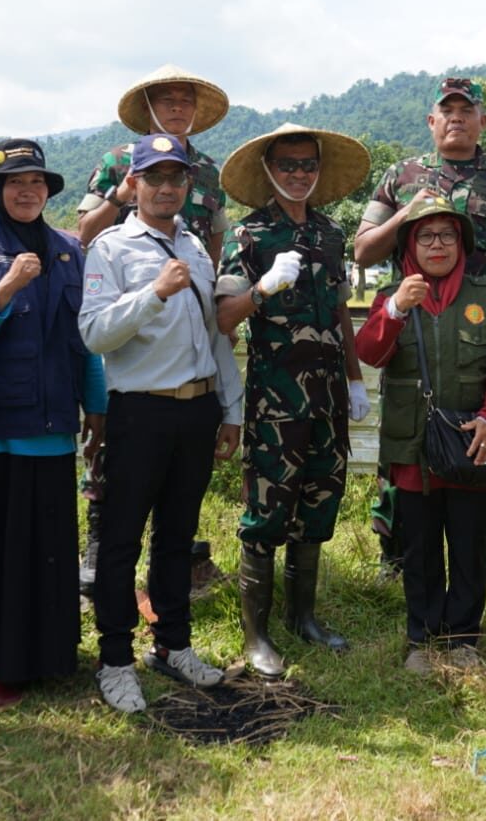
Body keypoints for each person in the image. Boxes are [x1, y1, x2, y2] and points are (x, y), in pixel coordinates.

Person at [78, 133, 243, 713]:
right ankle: (116, 659)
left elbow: (213, 331)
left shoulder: (196, 246)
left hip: (196, 408)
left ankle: (173, 645)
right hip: (140, 409)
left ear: (188, 186)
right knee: (121, 539)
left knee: (177, 535)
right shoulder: (111, 248)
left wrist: (231, 407)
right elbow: (95, 333)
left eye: (177, 178)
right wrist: (152, 292)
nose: (166, 187)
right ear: (135, 184)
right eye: (155, 178)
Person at [0, 139, 106, 708]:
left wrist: (98, 407)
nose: (28, 190)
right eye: (15, 183)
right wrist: (6, 288)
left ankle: (49, 655)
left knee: (48, 549)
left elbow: (84, 339)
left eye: (37, 182)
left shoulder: (68, 250)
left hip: (54, 425)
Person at [353, 77, 486, 582]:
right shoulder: (401, 174)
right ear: (432, 121)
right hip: (411, 328)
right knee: (406, 437)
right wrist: (405, 216)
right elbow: (363, 248)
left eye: (466, 110)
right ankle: (397, 555)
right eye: (446, 110)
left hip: (483, 333)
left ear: (482, 121)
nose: (456, 117)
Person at [214, 123, 371, 677]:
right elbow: (224, 317)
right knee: (266, 514)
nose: (299, 174)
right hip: (276, 400)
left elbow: (338, 314)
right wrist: (264, 288)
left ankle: (304, 618)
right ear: (268, 170)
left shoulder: (330, 234)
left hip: (328, 397)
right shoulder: (249, 237)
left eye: (308, 165)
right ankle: (258, 636)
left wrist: (354, 379)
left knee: (318, 506)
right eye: (287, 165)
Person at [74, 65, 231, 597]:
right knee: (115, 472)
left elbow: (211, 243)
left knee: (178, 500)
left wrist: (207, 303)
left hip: (189, 322)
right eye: (166, 100)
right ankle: (100, 568)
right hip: (126, 308)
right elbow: (84, 234)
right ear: (148, 107)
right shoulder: (118, 163)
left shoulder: (207, 170)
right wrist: (121, 196)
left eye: (185, 100)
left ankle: (171, 597)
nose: (177, 108)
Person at [356, 194, 486, 671]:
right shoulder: (393, 297)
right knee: (420, 547)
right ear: (410, 246)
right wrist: (395, 312)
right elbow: (369, 353)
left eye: (447, 235)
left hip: (472, 441)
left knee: (469, 546)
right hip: (411, 447)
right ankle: (422, 640)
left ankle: (464, 639)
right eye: (425, 236)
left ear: (462, 243)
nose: (437, 245)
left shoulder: (485, 298)